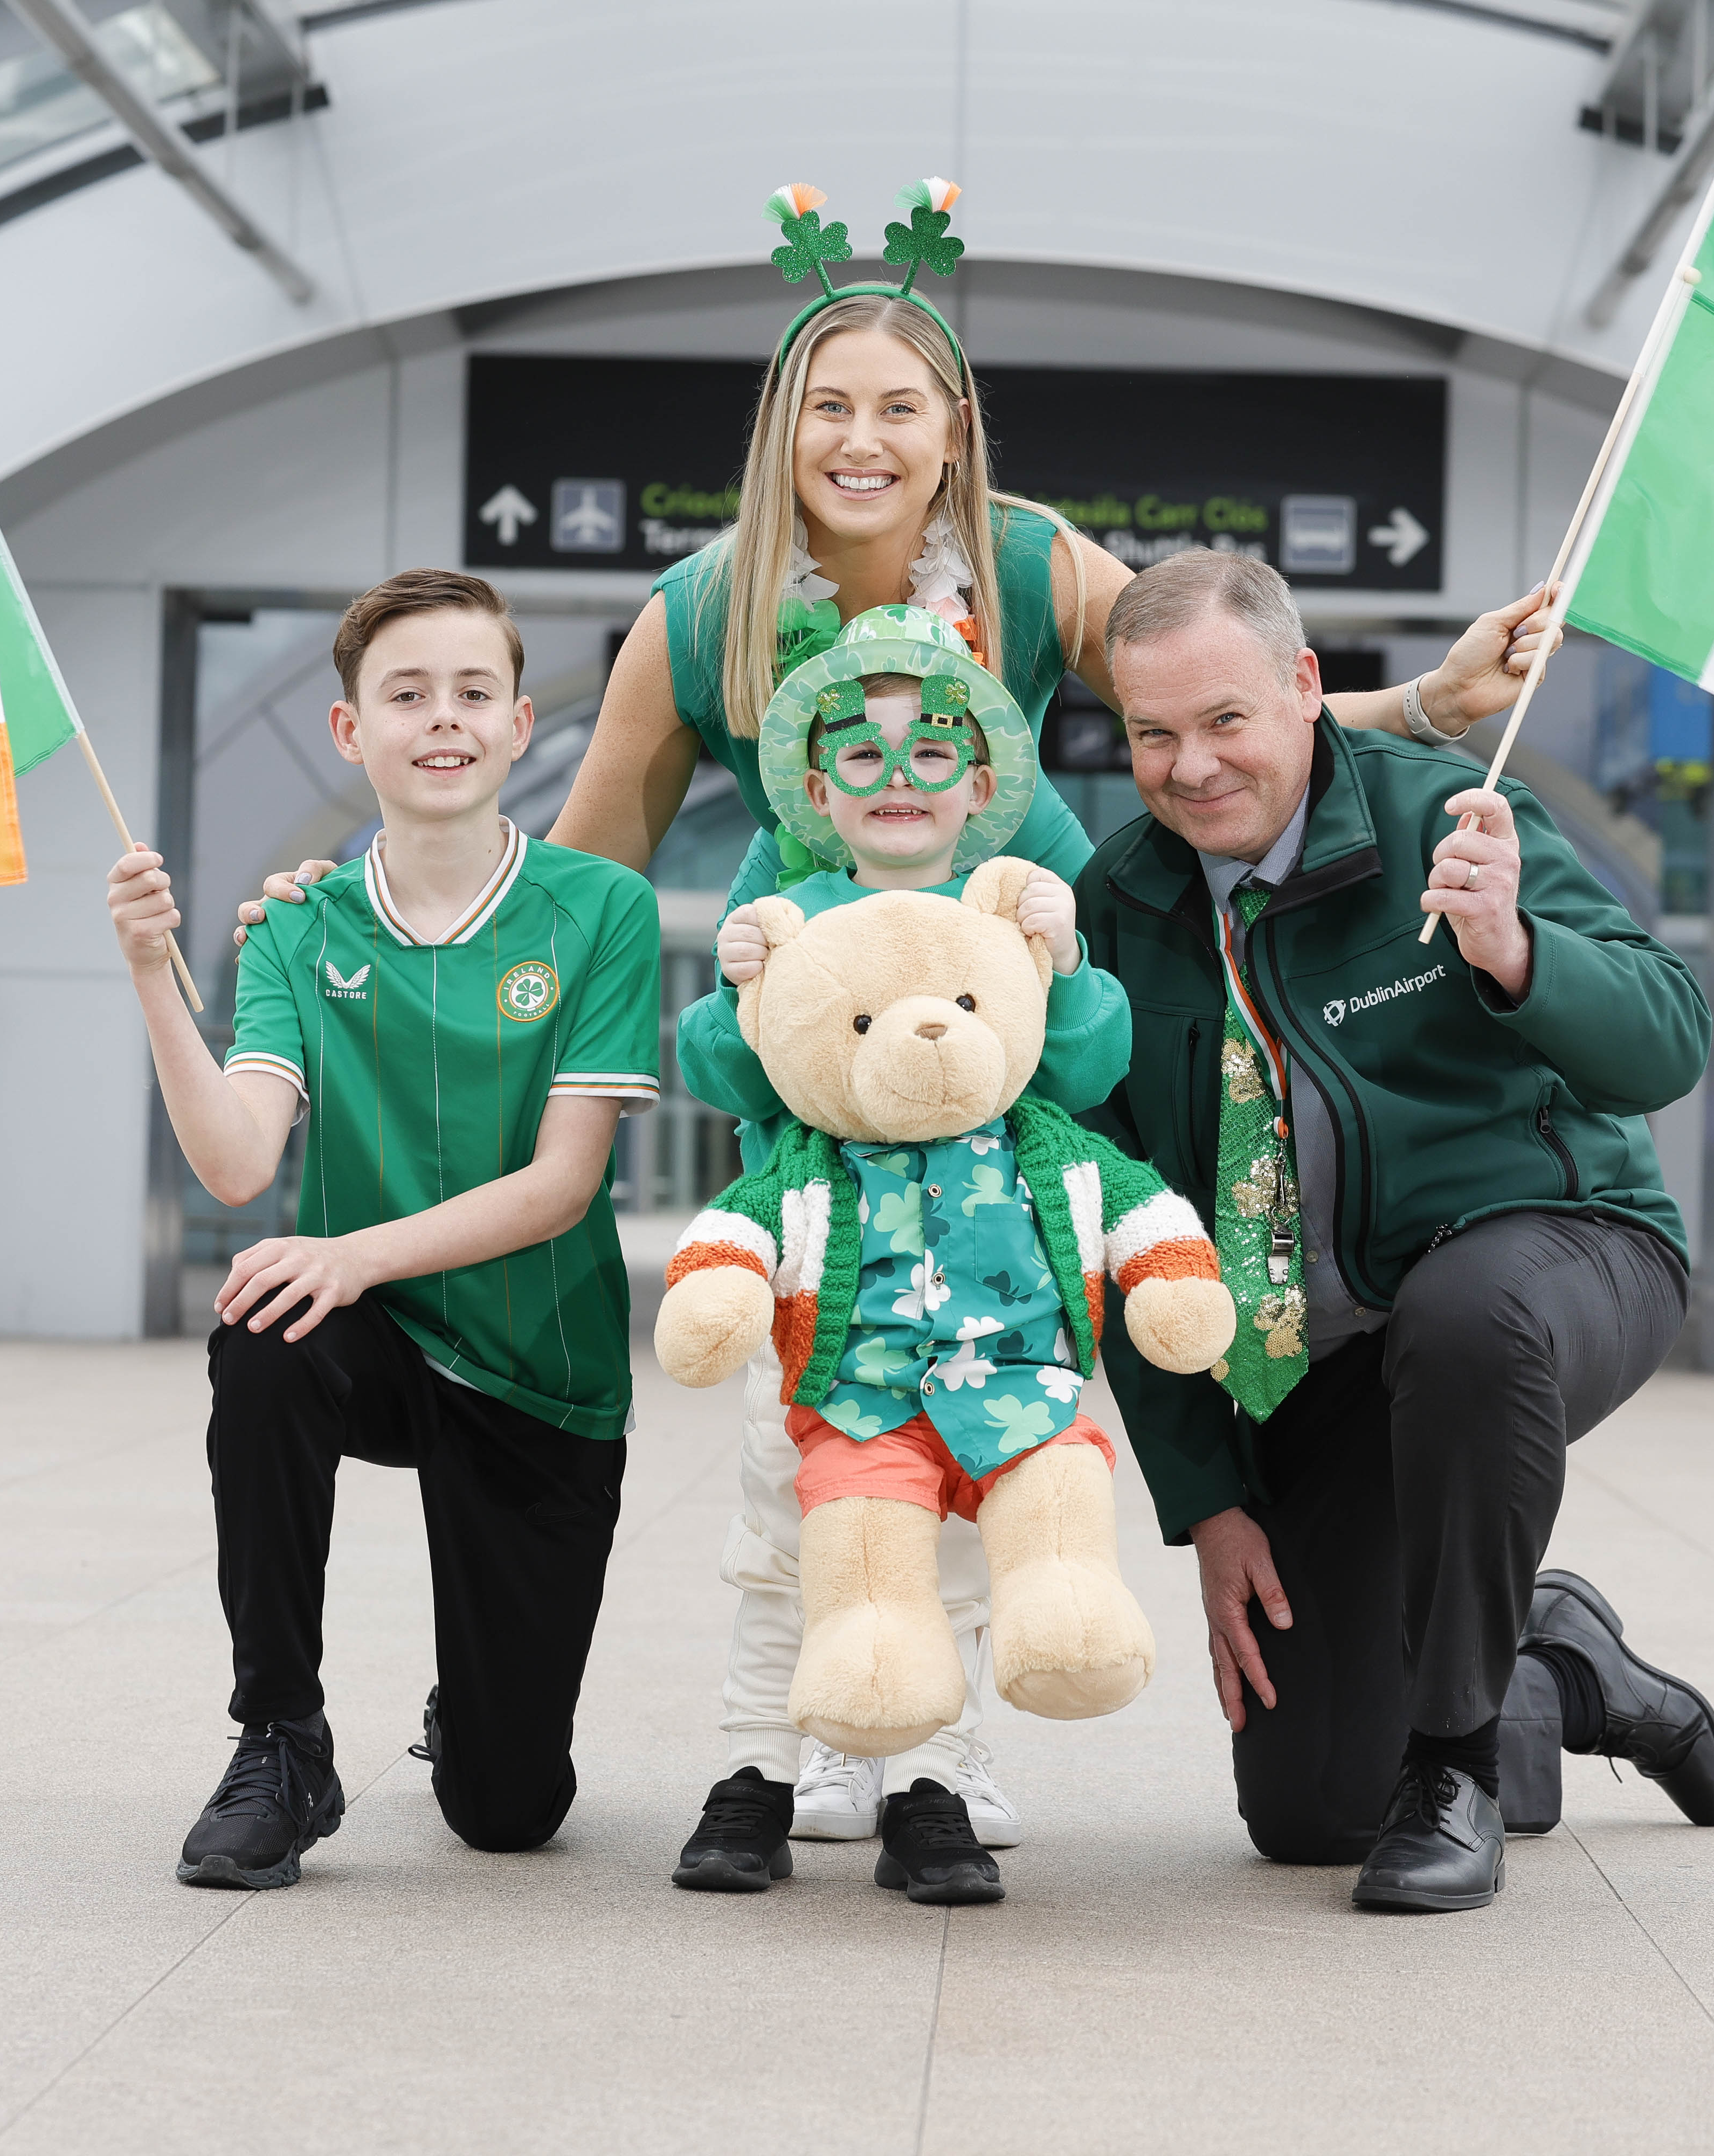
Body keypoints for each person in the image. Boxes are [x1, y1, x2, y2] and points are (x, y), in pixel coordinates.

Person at [241, 177, 1567, 1861]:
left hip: (1040, 1032)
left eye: (899, 407)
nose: (861, 439)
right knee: (815, 1439)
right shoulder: (702, 611)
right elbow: (572, 874)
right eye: (828, 407)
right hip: (830, 1073)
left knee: (1036, 1377)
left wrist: (1426, 703)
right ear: (781, 428)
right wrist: (362, 893)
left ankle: (1017, 1704)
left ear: (954, 433)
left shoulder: (1023, 562)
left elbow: (1218, 695)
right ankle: (787, 1734)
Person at [1074, 548, 1714, 1914]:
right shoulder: (1118, 903)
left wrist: (1513, 952)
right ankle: (1552, 1661)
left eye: (1225, 721)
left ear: (1306, 687)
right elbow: (1125, 1227)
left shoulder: (1455, 812)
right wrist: (1206, 1498)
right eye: (1153, 734)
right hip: (1324, 1357)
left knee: (1466, 1311)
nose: (1191, 767)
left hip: (1562, 1254)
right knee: (1313, 1809)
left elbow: (1668, 1039)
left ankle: (1454, 1760)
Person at [109, 568, 662, 1890]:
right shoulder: (301, 923)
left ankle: (469, 1716)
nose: (443, 720)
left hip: (543, 1373)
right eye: (406, 695)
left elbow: (562, 1184)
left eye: (474, 692)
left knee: (510, 1806)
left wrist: (353, 1251)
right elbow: (241, 1158)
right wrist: (149, 973)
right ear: (353, 731)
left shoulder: (601, 909)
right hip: (383, 1348)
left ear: (523, 725)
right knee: (262, 1330)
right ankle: (279, 1740)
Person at [664, 603, 1126, 1900]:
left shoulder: (1010, 909)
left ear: (984, 778)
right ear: (816, 786)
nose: (899, 782)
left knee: (966, 1550)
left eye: (932, 752)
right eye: (861, 757)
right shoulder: (791, 907)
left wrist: (1070, 956)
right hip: (829, 1289)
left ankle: (935, 1778)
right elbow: (716, 1068)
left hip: (996, 1306)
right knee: (786, 1533)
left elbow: (1088, 1064)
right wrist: (734, 983)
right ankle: (758, 1765)